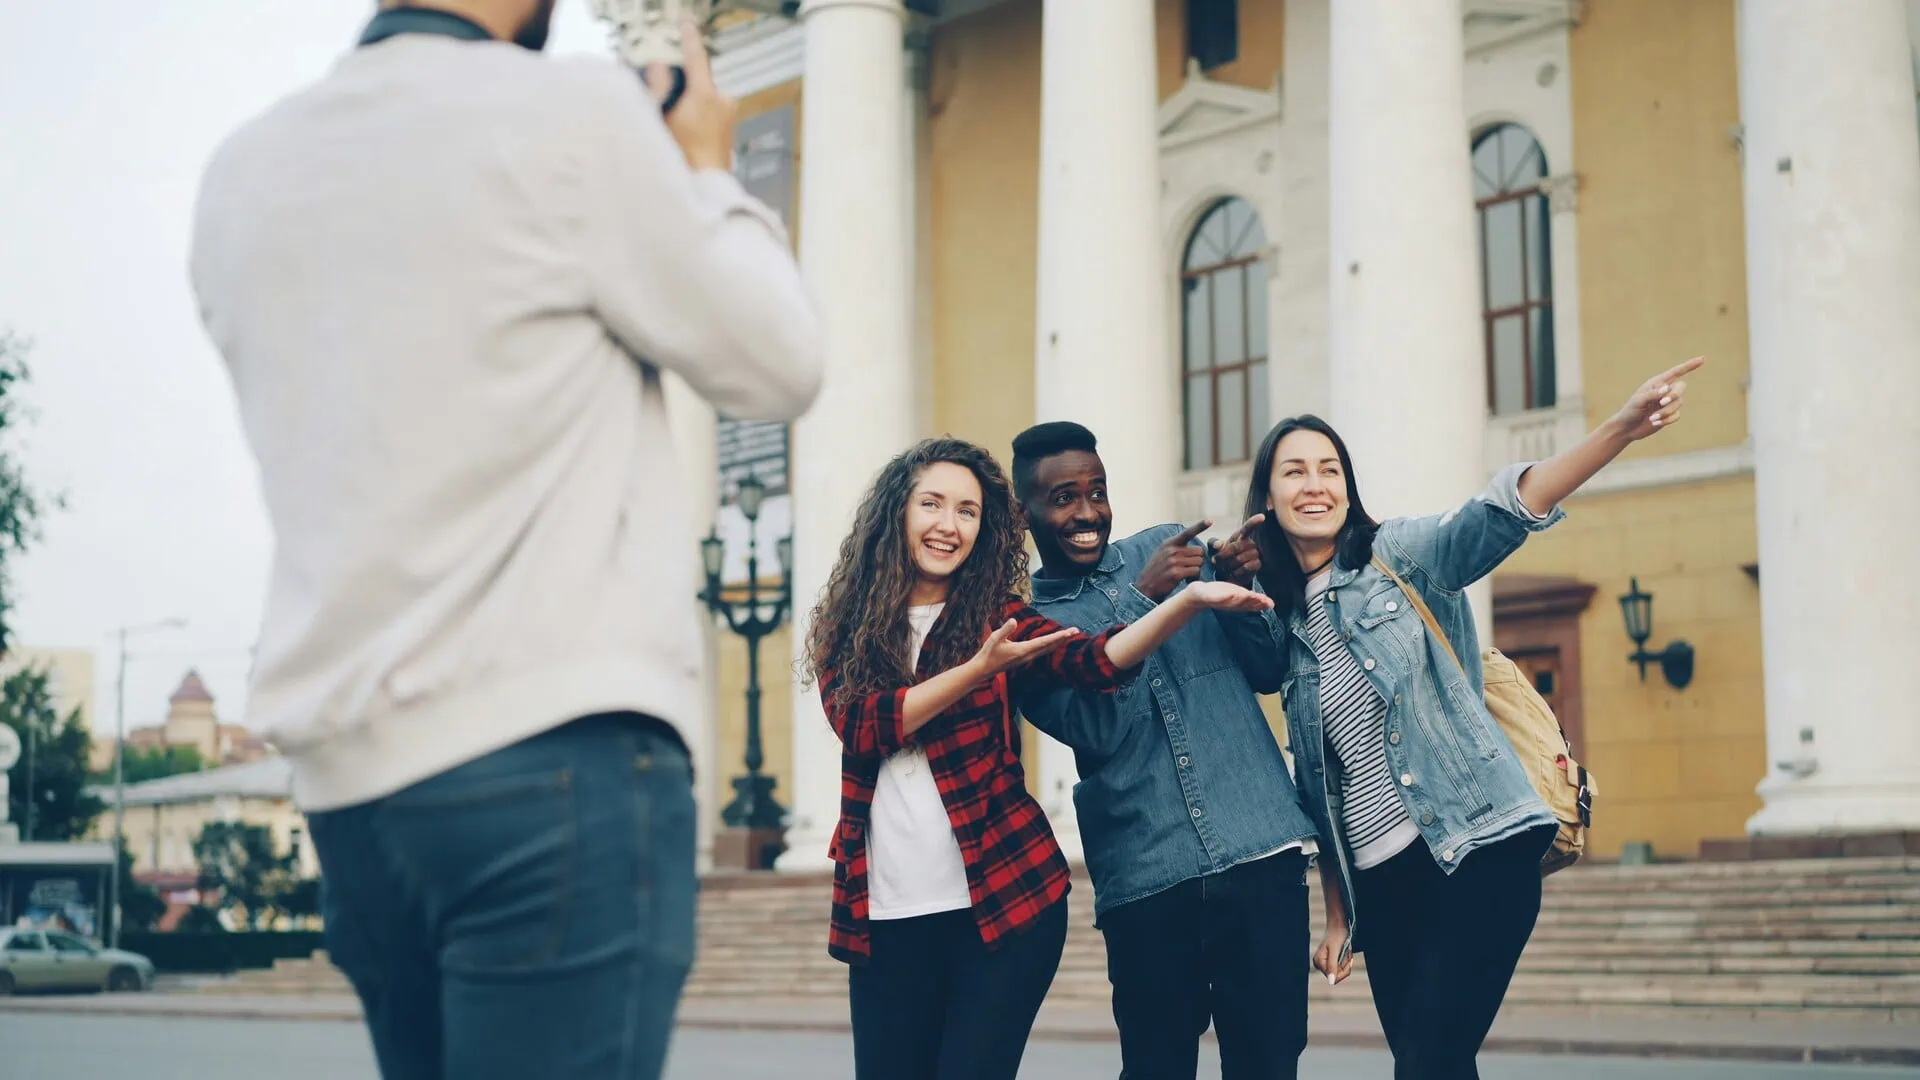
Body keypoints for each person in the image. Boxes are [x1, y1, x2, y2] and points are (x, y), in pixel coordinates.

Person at [189, 2, 823, 1077]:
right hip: (552, 756)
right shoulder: (567, 112)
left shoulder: (242, 171)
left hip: (353, 788)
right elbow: (777, 359)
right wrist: (707, 169)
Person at [1228, 358, 1705, 1079]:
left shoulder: (1399, 554)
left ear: (1348, 488)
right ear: (1267, 495)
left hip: (1477, 851)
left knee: (1427, 1063)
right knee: (1437, 1066)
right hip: (1381, 887)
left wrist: (1619, 429)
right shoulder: (1285, 626)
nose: (1315, 484)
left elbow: (1502, 510)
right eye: (1294, 472)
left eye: (1330, 469)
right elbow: (1323, 786)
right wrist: (1338, 915)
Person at [805, 437, 1272, 1080]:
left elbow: (1092, 659)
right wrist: (978, 670)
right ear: (897, 512)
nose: (948, 525)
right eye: (932, 504)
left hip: (1006, 900)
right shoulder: (850, 628)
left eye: (967, 511)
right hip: (885, 915)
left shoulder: (997, 618)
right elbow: (863, 726)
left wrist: (1183, 603)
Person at [1009, 421, 1323, 1079]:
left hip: (1259, 851)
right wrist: (1141, 601)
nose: (1088, 512)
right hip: (1147, 880)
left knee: (1270, 1065)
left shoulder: (1172, 548)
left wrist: (1241, 589)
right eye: (1064, 498)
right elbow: (1098, 731)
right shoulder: (1024, 632)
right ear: (1024, 513)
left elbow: (1268, 669)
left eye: (1097, 491)